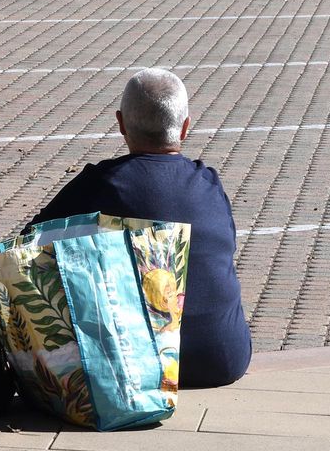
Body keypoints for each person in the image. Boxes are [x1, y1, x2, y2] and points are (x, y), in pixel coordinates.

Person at [28, 68, 252, 388]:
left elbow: (27, 244)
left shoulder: (101, 183)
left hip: (139, 366)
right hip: (224, 359)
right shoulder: (210, 183)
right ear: (185, 127)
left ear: (121, 123)